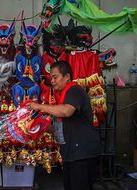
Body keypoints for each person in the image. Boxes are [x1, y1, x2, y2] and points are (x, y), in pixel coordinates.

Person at [27, 61, 100, 190]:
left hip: (81, 154)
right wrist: (39, 125)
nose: (52, 81)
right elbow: (59, 127)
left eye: (55, 77)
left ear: (67, 77)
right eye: (51, 78)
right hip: (71, 153)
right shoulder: (63, 96)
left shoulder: (74, 90)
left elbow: (67, 111)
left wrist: (39, 106)